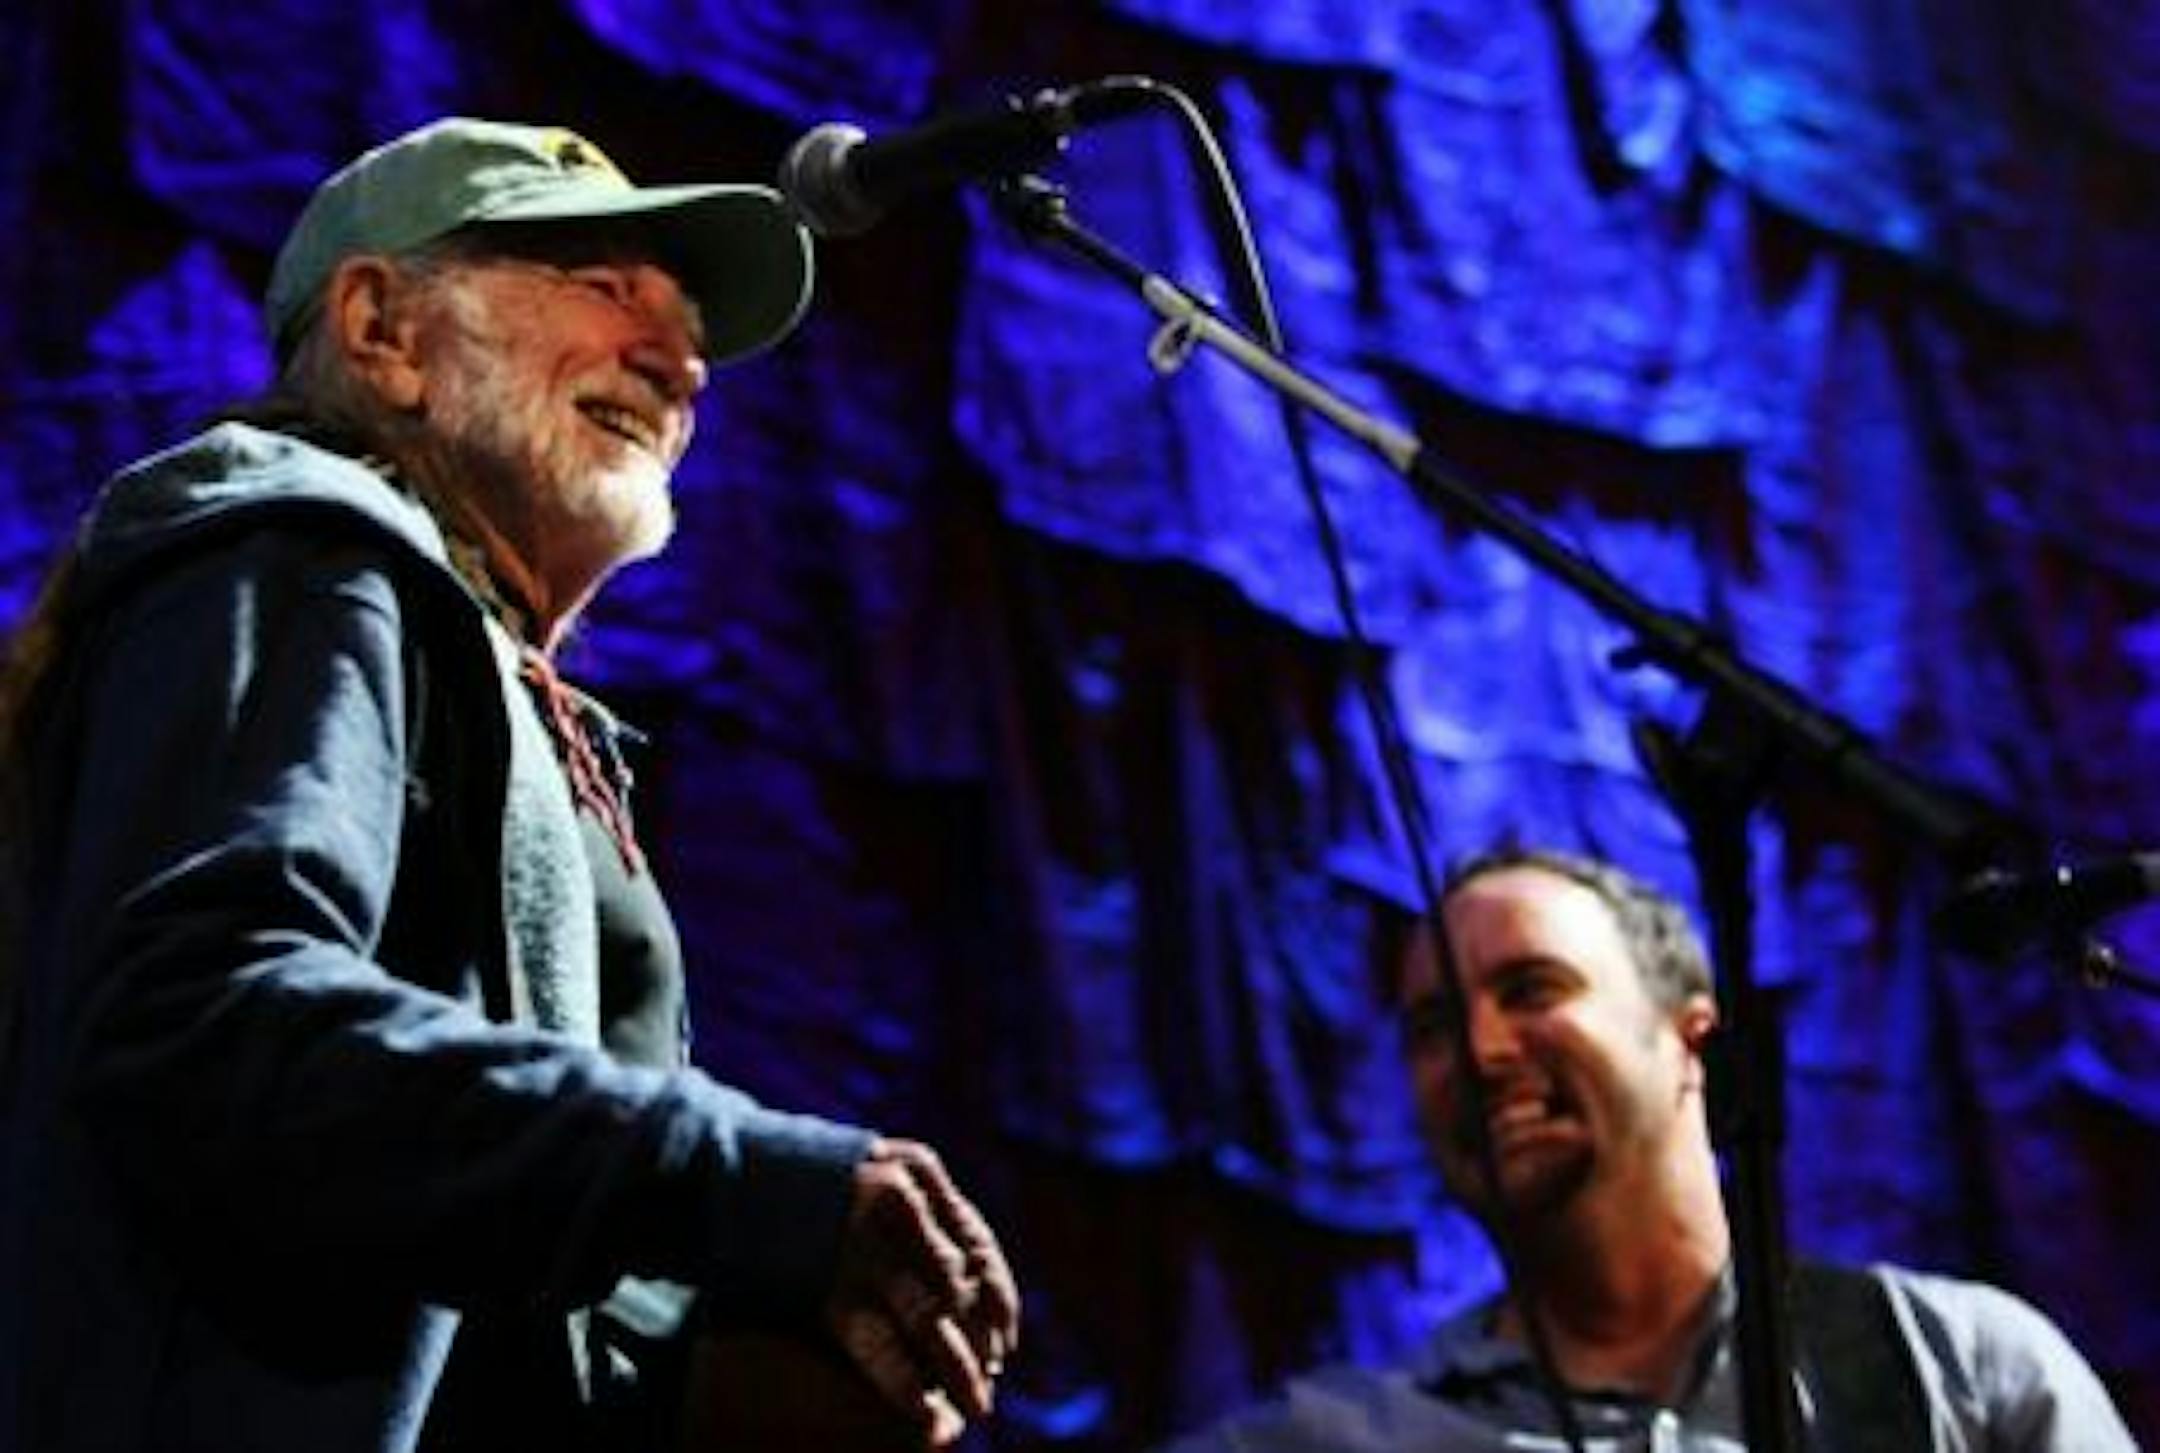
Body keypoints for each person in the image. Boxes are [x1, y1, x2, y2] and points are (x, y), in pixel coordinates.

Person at [0, 117, 1018, 1452]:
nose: (681, 357)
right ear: (383, 333)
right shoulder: (305, 560)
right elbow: (210, 1026)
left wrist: (704, 1377)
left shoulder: (503, 695)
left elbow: (426, 1240)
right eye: (603, 286)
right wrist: (732, 1178)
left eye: (688, 321)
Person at [1168, 847, 2134, 1451]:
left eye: (1533, 989)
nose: (1481, 1052)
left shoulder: (1956, 1362)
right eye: (1430, 1025)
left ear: (1692, 1041)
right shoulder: (1343, 1435)